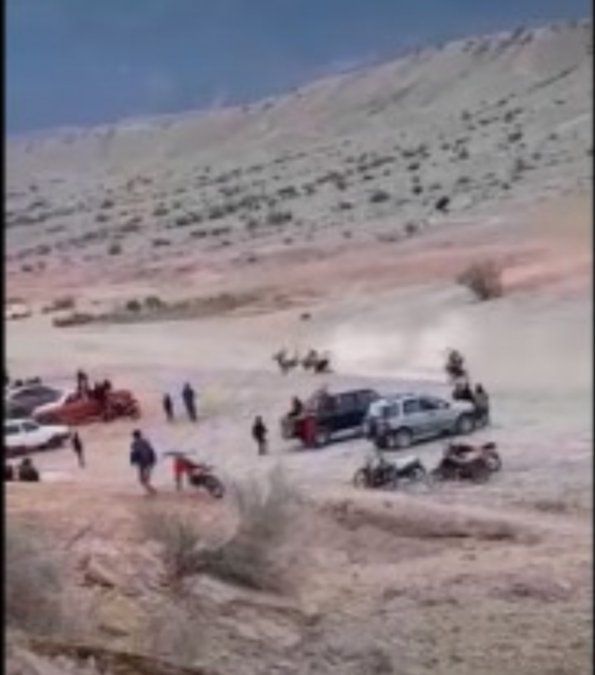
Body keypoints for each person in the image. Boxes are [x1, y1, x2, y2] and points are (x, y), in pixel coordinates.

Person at [129, 430, 157, 496]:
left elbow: (134, 453)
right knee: (146, 477)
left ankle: (152, 491)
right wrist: (153, 460)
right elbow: (151, 450)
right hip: (149, 460)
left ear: (134, 436)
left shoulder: (134, 443)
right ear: (140, 435)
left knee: (142, 479)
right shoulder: (145, 441)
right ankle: (151, 491)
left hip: (142, 461)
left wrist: (132, 461)